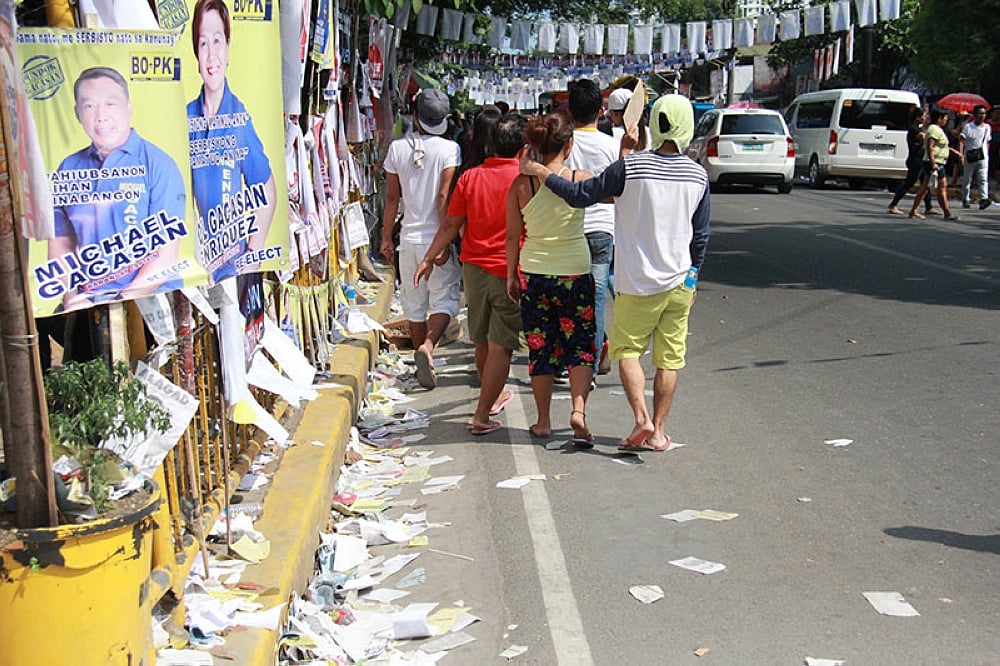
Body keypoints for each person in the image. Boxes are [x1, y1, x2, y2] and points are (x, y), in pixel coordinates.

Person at [520, 95, 710, 452]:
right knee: (669, 360)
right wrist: (693, 276)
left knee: (627, 352)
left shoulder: (631, 168)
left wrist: (541, 172)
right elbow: (701, 234)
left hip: (636, 283)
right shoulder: (698, 174)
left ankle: (641, 418)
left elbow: (580, 195)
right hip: (679, 283)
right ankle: (658, 433)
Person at [414, 114, 527, 435]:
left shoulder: (470, 177)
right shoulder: (524, 179)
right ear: (522, 149)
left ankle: (488, 400)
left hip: (473, 270)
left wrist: (429, 256)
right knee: (501, 344)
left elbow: (450, 225)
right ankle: (482, 412)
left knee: (482, 338)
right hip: (508, 269)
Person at [47, 67, 186, 310]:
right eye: (89, 106)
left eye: (110, 104)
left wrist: (121, 302)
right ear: (77, 113)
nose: (100, 116)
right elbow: (61, 244)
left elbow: (166, 257)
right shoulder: (68, 168)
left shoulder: (158, 164)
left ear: (128, 107)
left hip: (148, 300)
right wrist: (70, 295)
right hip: (87, 304)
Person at [506, 112, 596, 445]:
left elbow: (512, 236)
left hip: (534, 272)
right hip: (575, 270)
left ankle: (543, 421)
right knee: (581, 347)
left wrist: (510, 276)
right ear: (569, 145)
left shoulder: (520, 185)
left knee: (540, 349)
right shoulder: (580, 177)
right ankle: (578, 410)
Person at [188, 0, 277, 283]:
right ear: (195, 52)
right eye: (203, 43)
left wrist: (251, 255)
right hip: (194, 270)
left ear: (228, 49)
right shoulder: (185, 117)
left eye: (218, 41)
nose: (211, 54)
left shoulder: (238, 118)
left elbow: (266, 188)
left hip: (232, 269)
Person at [381, 88, 461, 389]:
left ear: (415, 116)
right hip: (434, 236)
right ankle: (428, 347)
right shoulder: (450, 149)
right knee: (445, 299)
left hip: (408, 239)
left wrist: (386, 237)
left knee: (414, 305)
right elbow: (443, 195)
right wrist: (442, 240)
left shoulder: (397, 149)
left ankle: (419, 360)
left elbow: (392, 199)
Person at [564, 79, 618, 378]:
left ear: (570, 111)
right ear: (601, 110)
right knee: (596, 300)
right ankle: (592, 367)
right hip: (602, 230)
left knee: (568, 300)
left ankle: (567, 364)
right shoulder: (612, 147)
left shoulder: (564, 143)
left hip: (569, 230)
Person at [909, 109, 959, 221]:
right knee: (939, 188)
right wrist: (933, 163)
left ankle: (914, 210)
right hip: (934, 162)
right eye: (945, 118)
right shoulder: (935, 129)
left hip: (938, 162)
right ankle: (946, 212)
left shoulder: (936, 130)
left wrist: (954, 152)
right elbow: (930, 147)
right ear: (939, 119)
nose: (946, 121)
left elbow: (940, 146)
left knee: (928, 188)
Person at [888, 107, 934, 216]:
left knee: (925, 183)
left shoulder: (920, 128)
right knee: (910, 182)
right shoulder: (914, 128)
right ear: (918, 117)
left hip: (922, 159)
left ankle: (929, 206)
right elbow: (923, 138)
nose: (925, 118)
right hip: (915, 159)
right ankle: (893, 204)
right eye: (923, 116)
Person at [959, 104, 992, 209]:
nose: (982, 116)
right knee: (967, 178)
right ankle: (965, 198)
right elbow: (961, 141)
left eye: (984, 113)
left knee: (983, 178)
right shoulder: (968, 127)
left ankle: (983, 198)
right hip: (970, 155)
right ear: (974, 114)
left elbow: (988, 141)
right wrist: (961, 154)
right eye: (980, 113)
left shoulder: (987, 127)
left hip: (983, 156)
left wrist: (986, 152)